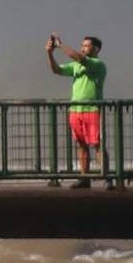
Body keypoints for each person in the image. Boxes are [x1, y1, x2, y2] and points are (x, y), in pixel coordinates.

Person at [47, 33, 107, 188]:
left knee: (97, 143)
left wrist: (60, 45)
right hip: (76, 109)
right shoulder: (76, 66)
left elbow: (79, 57)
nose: (83, 48)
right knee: (81, 144)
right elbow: (57, 70)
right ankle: (84, 178)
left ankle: (107, 178)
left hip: (92, 108)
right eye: (82, 45)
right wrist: (49, 53)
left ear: (96, 49)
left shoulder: (97, 64)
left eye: (86, 46)